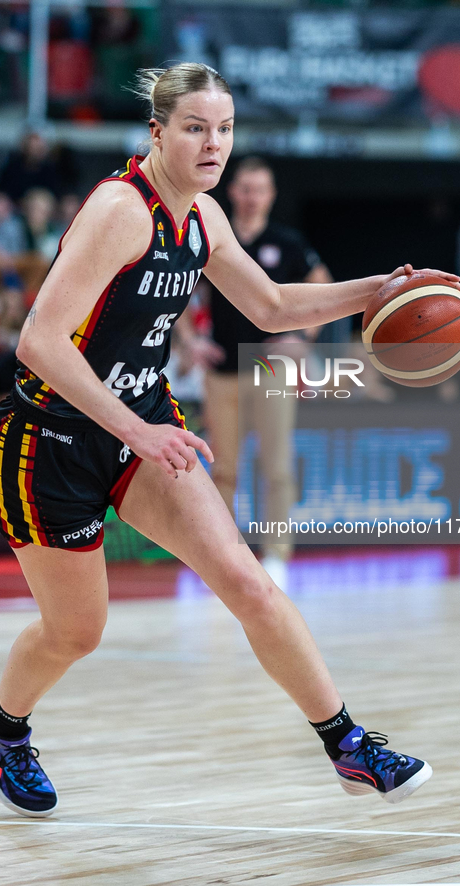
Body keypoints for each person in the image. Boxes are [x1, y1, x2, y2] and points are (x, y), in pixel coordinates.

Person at [0, 62, 460, 818]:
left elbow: (268, 306)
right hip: (49, 441)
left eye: (225, 129)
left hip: (143, 430)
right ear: (158, 132)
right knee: (77, 633)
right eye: (196, 128)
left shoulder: (202, 216)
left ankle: (348, 745)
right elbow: (38, 341)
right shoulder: (120, 210)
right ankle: (3, 722)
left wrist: (378, 289)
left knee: (244, 579)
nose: (213, 144)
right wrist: (135, 426)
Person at [196, 155, 332, 587]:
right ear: (232, 192)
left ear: (271, 195)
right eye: (246, 189)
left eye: (261, 189)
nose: (252, 197)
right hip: (222, 367)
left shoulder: (286, 242)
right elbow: (181, 292)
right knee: (224, 469)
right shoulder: (213, 237)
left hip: (268, 366)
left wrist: (303, 337)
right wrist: (187, 340)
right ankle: (222, 556)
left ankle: (276, 554)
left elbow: (322, 283)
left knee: (276, 465)